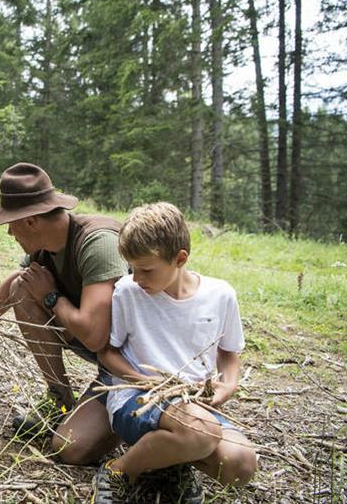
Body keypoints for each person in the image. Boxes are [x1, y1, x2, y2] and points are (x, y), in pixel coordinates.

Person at [94, 202, 257, 502]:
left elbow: (229, 353)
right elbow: (107, 353)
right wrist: (146, 381)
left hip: (195, 406)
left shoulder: (220, 295)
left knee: (241, 464)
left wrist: (228, 385)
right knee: (202, 431)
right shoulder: (127, 292)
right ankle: (118, 471)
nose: (137, 278)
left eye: (146, 270)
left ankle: (167, 462)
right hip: (137, 399)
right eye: (132, 268)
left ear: (180, 258)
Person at [0, 162, 128, 465]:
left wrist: (51, 297)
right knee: (22, 287)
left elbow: (95, 336)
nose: (9, 232)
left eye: (11, 223)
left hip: (134, 364)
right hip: (106, 353)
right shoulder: (42, 249)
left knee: (69, 447)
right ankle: (61, 400)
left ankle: (138, 420)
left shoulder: (98, 243)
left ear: (30, 221)